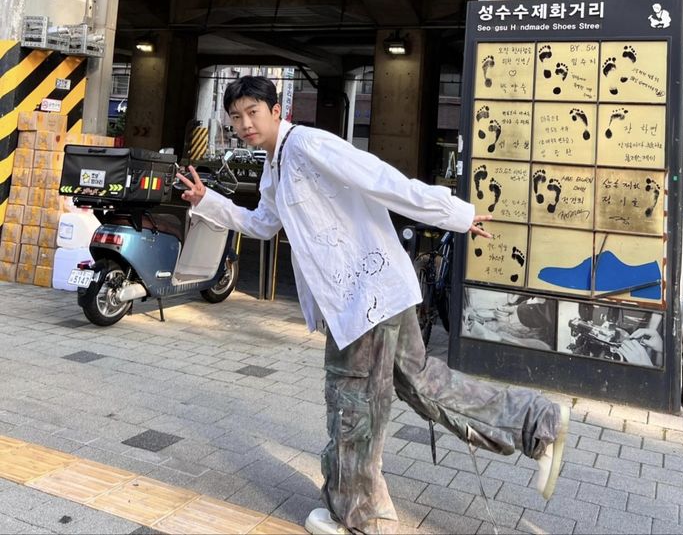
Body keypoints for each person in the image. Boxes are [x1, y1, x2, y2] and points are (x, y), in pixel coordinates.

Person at [177, 76, 570, 535]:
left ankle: (362, 517)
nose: (244, 123)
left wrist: (454, 214)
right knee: (422, 384)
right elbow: (264, 224)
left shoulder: (306, 145)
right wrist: (210, 201)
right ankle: (538, 422)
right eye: (236, 116)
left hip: (363, 300)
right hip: (375, 297)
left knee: (352, 401)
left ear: (277, 109)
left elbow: (380, 178)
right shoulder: (275, 165)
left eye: (252, 112)